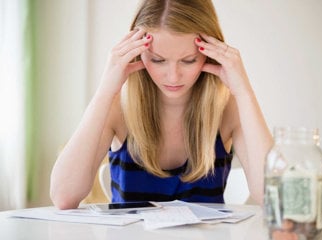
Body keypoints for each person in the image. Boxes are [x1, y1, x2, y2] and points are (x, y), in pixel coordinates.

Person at [50, 0, 273, 210]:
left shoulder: (227, 108)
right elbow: (63, 196)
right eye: (158, 60)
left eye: (189, 60)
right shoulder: (118, 107)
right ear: (137, 51)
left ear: (210, 55)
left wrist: (244, 92)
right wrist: (105, 91)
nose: (173, 77)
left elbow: (274, 198)